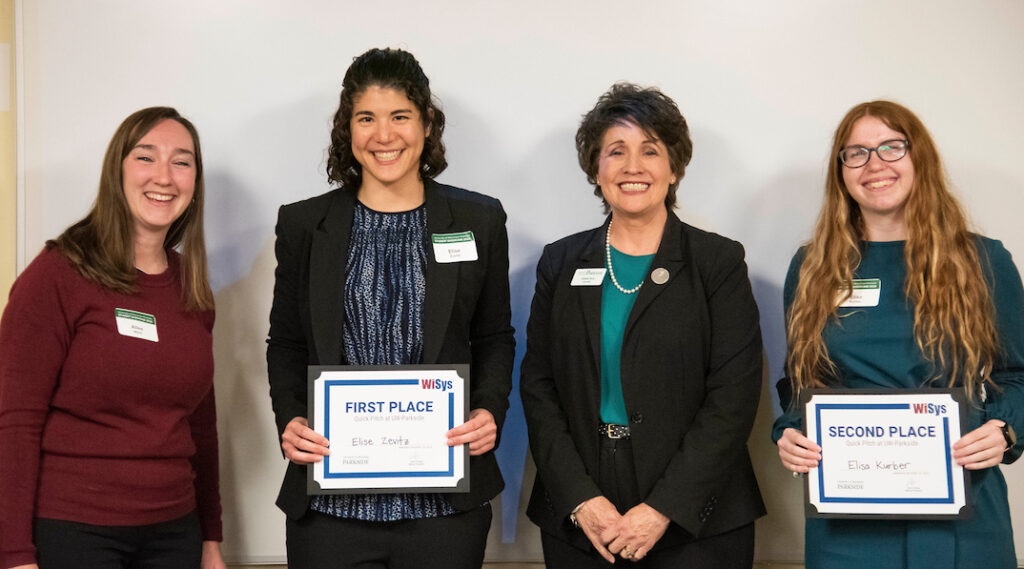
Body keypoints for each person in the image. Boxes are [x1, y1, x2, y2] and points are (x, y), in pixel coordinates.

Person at [266, 47, 514, 569]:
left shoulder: (479, 219)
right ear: (347, 130)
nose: (384, 135)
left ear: (426, 124)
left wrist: (489, 409)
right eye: (366, 118)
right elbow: (286, 342)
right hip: (330, 507)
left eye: (400, 116)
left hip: (444, 506)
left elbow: (494, 336)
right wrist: (289, 418)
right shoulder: (304, 225)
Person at [520, 82, 766, 568]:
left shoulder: (717, 262)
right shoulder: (561, 262)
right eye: (616, 151)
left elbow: (733, 397)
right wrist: (580, 499)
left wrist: (663, 508)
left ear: (674, 168)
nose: (633, 167)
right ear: (596, 167)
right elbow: (538, 386)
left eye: (650, 151)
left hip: (697, 519)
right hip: (583, 516)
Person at [773, 100, 1024, 568]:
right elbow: (798, 385)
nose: (875, 164)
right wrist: (790, 431)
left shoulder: (983, 261)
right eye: (857, 153)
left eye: (892, 147)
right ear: (841, 171)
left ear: (919, 157)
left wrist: (1007, 430)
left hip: (961, 510)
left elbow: (1020, 375)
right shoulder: (811, 269)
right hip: (846, 519)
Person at [0, 107, 224, 569]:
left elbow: (201, 425)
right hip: (76, 532)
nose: (164, 176)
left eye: (182, 162)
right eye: (146, 157)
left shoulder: (193, 288)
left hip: (175, 533)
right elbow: (15, 421)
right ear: (116, 171)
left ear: (195, 183)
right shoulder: (58, 274)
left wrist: (210, 540)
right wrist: (14, 555)